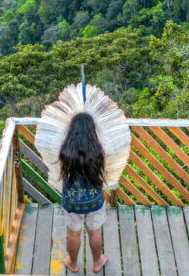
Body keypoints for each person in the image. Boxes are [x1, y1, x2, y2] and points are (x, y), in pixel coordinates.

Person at [59, 112, 108, 273]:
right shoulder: (99, 151)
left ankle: (72, 263)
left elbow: (62, 172)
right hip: (94, 201)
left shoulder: (65, 152)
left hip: (72, 202)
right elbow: (104, 170)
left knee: (74, 234)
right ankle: (97, 262)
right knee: (94, 232)